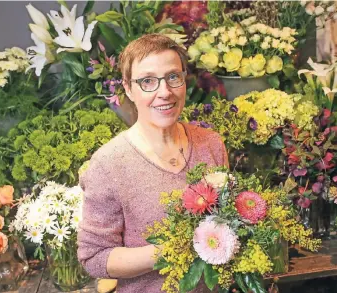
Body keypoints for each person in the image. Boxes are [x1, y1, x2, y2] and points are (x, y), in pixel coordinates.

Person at [78, 33, 229, 293]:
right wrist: (174, 248)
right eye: (148, 81)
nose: (165, 92)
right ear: (128, 88)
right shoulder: (109, 164)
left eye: (173, 77)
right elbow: (95, 257)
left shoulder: (211, 144)